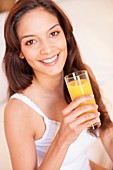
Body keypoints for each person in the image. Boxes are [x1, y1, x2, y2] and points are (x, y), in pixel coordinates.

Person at [3, 0, 113, 169]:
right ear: (20, 51)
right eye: (31, 41)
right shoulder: (18, 110)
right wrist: (63, 138)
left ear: (66, 35)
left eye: (53, 33)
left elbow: (106, 131)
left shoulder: (82, 78)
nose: (47, 49)